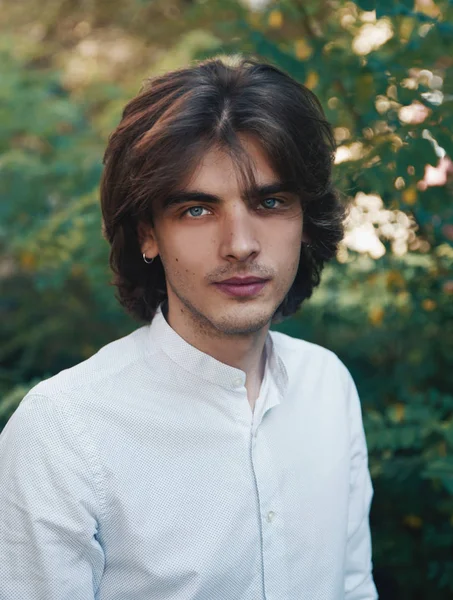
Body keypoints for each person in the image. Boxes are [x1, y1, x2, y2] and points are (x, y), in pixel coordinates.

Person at [0, 54, 378, 599]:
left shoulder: (328, 386)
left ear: (305, 221)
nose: (241, 244)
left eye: (270, 201)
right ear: (147, 233)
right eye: (197, 210)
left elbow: (352, 588)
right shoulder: (62, 434)